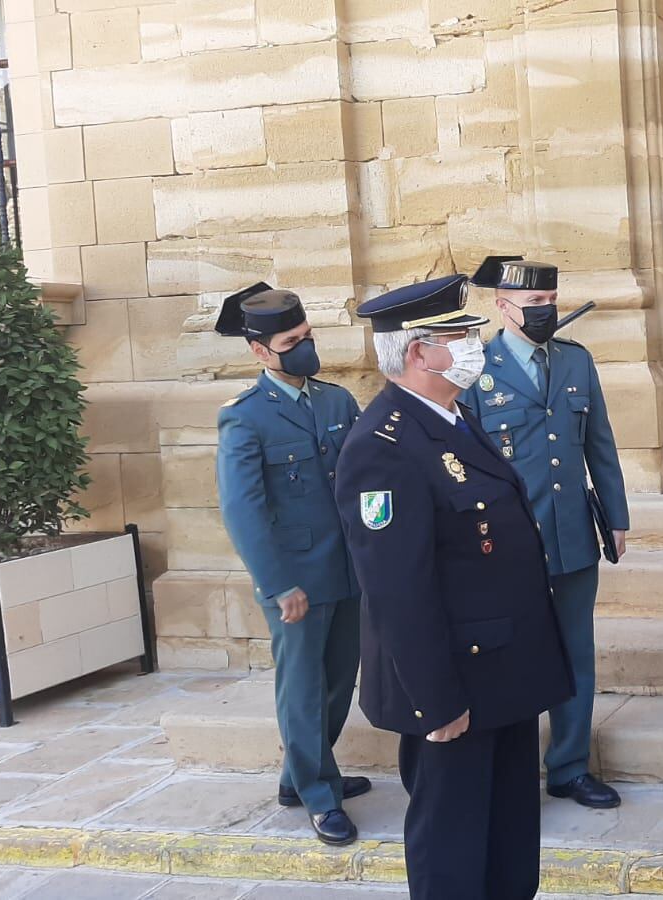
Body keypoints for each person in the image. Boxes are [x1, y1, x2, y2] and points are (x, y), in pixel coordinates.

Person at [335, 274, 574, 899]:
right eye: (462, 335)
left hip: (504, 673)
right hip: (455, 686)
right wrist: (436, 702)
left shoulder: (452, 417)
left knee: (510, 840)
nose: (477, 344)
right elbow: (397, 591)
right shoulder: (383, 446)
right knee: (454, 849)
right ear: (419, 352)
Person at [463, 256, 630, 810]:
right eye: (534, 305)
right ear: (502, 307)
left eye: (550, 302)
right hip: (510, 541)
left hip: (573, 532)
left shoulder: (576, 363)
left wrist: (617, 515)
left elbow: (599, 446)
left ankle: (569, 766)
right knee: (513, 656)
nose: (545, 312)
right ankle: (511, 770)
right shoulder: (476, 370)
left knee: (576, 652)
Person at [213, 282, 368, 847]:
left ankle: (298, 777)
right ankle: (319, 796)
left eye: (307, 337)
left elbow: (359, 484)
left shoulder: (336, 402)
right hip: (295, 580)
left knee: (336, 684)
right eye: (290, 341)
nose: (304, 347)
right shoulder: (245, 418)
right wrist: (279, 585)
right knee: (302, 689)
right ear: (260, 352)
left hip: (346, 570)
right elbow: (243, 512)